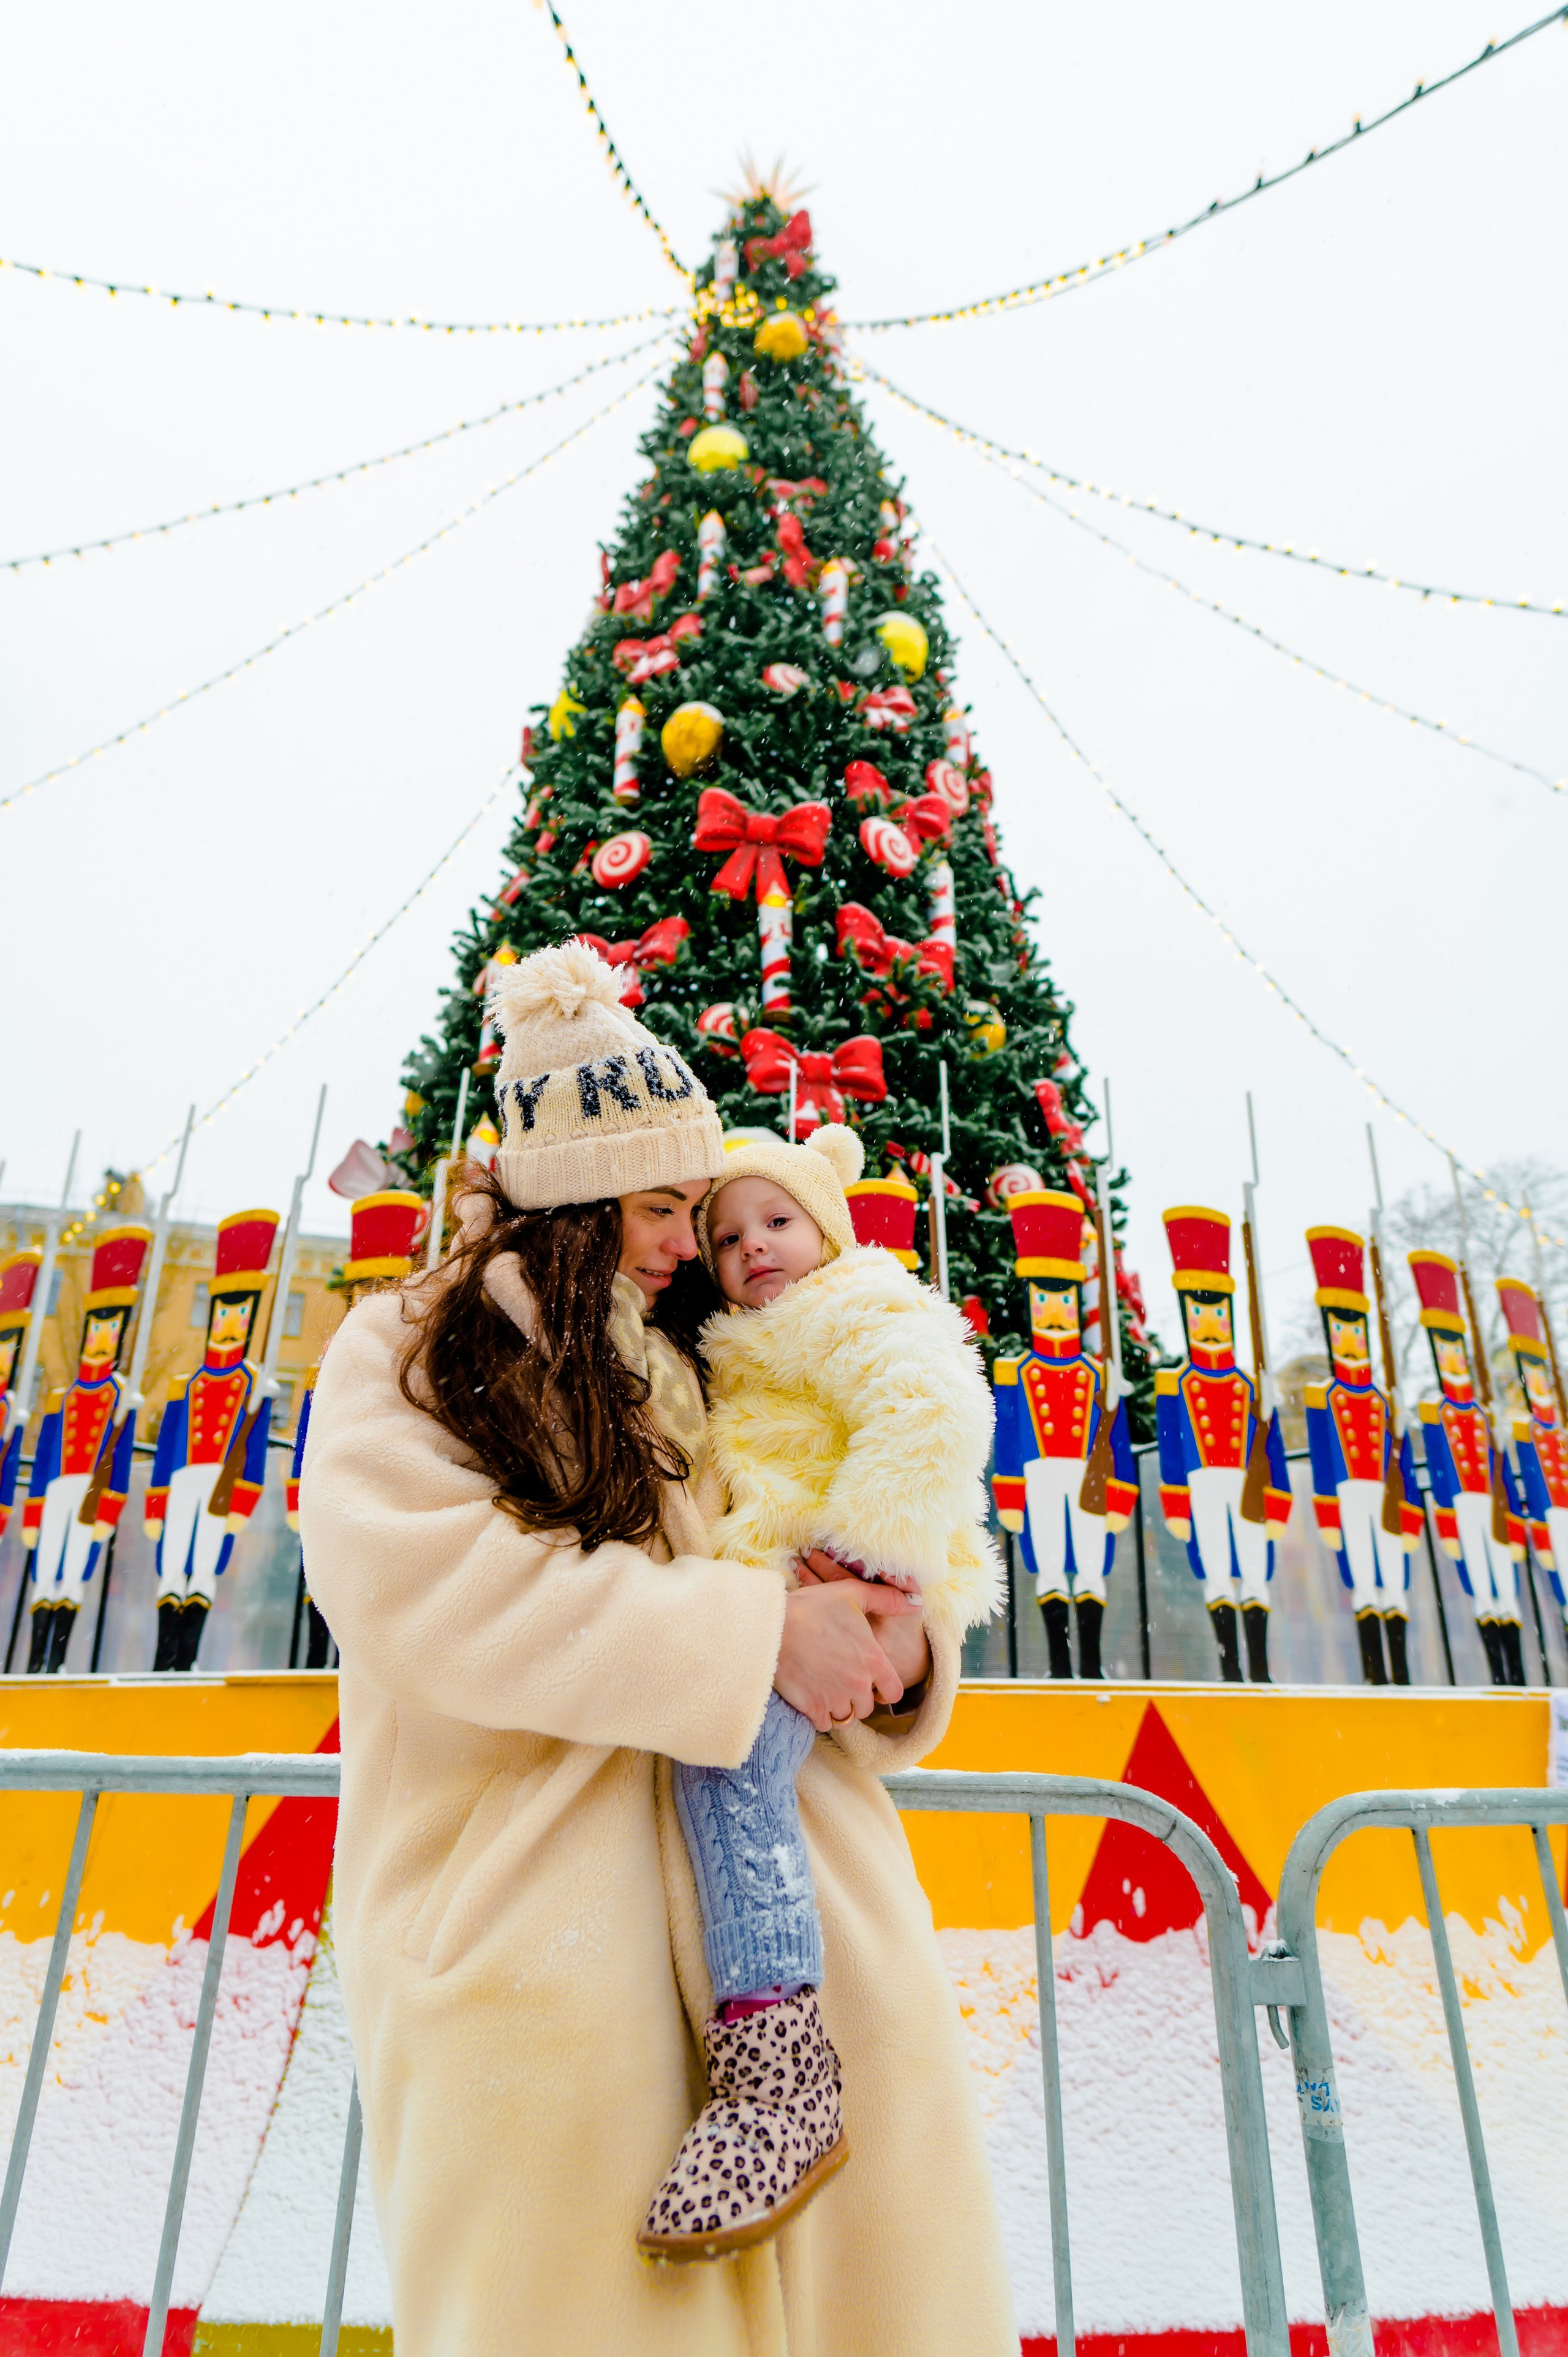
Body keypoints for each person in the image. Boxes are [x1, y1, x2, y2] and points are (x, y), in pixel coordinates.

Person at [299, 941, 1016, 2357]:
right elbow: (434, 1591)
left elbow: (840, 1540)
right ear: (572, 1196)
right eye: (660, 1204)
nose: (693, 1240)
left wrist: (887, 1637)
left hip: (808, 1936)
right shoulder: (407, 1353)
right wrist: (752, 1636)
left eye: (697, 1205)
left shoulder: (711, 1359)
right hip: (544, 1938)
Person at [639, 1124, 1000, 2258]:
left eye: (779, 1221)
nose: (754, 1249)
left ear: (831, 1229)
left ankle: (778, 2062)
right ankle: (771, 2062)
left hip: (828, 1589)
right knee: (725, 1768)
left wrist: (866, 1564)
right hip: (771, 1606)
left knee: (733, 1769)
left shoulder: (853, 1310)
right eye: (729, 1234)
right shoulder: (739, 1345)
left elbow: (933, 1413)